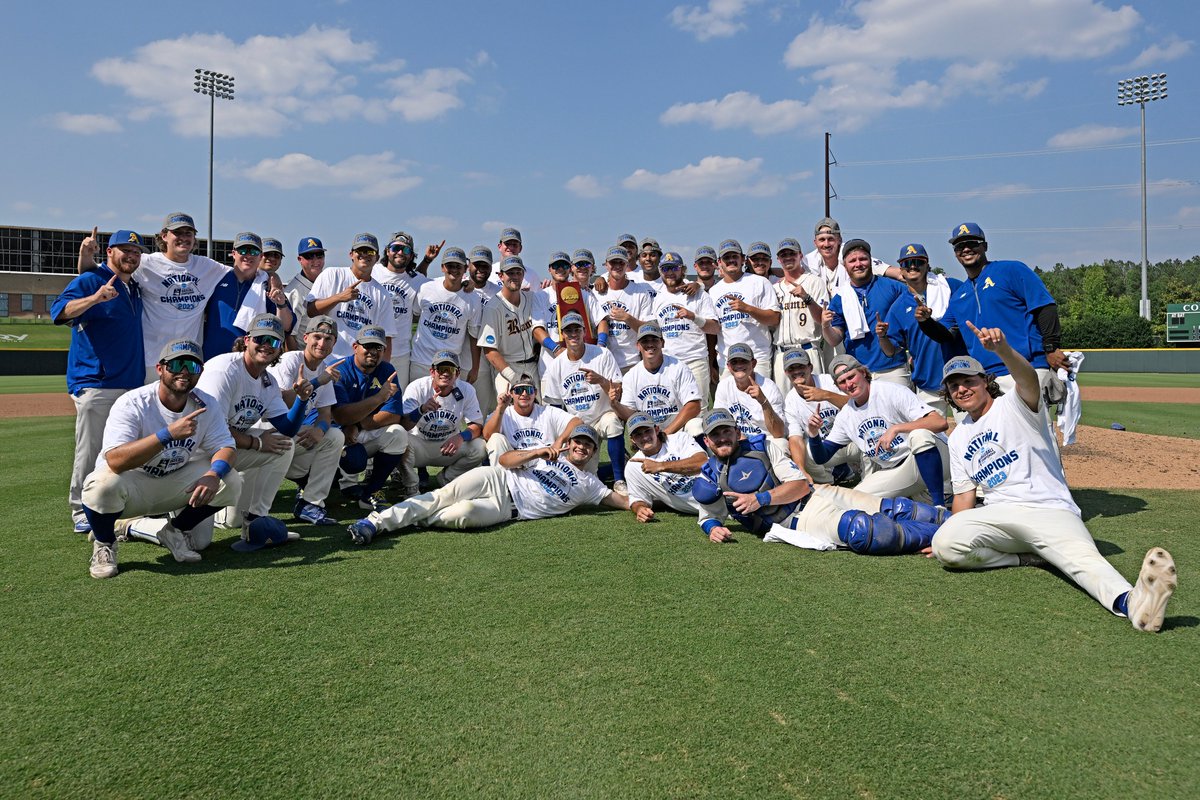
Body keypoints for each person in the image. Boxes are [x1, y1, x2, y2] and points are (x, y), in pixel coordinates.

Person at [932, 323, 1176, 632]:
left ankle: (1134, 602)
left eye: (968, 381)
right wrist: (956, 527)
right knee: (945, 544)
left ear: (985, 382)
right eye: (954, 387)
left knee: (1084, 563)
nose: (962, 390)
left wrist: (1003, 350)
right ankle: (1028, 558)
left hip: (1048, 508)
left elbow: (1027, 378)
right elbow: (965, 497)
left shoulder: (1015, 404)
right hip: (999, 515)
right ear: (949, 395)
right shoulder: (958, 437)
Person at [81, 339, 241, 578]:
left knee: (230, 481)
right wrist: (167, 435)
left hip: (174, 482)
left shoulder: (206, 403)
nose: (184, 372)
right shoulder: (133, 402)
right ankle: (105, 542)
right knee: (101, 486)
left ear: (201, 372)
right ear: (160, 369)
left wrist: (212, 474)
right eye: (177, 365)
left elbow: (226, 446)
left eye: (192, 366)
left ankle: (175, 531)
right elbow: (115, 461)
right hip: (132, 485)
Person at [692, 408, 944, 554]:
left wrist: (760, 499)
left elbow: (800, 484)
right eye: (716, 435)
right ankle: (946, 537)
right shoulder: (710, 476)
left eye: (727, 431)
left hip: (816, 494)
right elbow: (708, 515)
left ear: (737, 432)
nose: (723, 438)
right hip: (797, 521)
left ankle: (954, 521)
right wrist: (713, 528)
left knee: (897, 509)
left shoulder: (763, 448)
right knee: (866, 532)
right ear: (707, 441)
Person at [345, 424, 631, 544]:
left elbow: (622, 501)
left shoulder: (589, 484)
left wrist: (648, 501)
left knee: (463, 514)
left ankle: (413, 519)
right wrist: (536, 451)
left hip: (507, 510)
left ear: (594, 452)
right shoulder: (547, 453)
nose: (581, 447)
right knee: (441, 496)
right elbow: (505, 460)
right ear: (569, 443)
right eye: (578, 442)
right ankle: (376, 523)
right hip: (497, 478)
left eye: (588, 445)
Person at [53, 229, 147, 533]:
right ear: (110, 252)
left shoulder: (134, 287)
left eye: (135, 252)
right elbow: (59, 312)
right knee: (91, 450)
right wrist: (94, 298)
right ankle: (80, 509)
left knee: (128, 451)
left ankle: (118, 503)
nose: (131, 256)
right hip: (97, 382)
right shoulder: (91, 281)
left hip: (131, 383)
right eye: (124, 250)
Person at [918, 222, 1069, 390]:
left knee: (1030, 417)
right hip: (987, 377)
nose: (966, 249)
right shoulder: (959, 297)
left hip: (1028, 366)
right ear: (955, 253)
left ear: (985, 246)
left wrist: (1051, 347)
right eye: (960, 246)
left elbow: (1044, 307)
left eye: (972, 243)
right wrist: (925, 321)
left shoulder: (1011, 270)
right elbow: (945, 335)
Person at [196, 314, 309, 534]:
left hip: (225, 449)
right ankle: (136, 525)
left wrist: (302, 401)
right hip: (195, 452)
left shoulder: (268, 382)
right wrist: (255, 443)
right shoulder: (224, 370)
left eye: (273, 341)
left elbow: (287, 429)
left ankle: (256, 520)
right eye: (260, 339)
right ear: (247, 340)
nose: (266, 346)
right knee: (198, 541)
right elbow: (213, 428)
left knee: (283, 444)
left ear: (279, 348)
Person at [99, 212, 229, 382]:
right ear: (164, 236)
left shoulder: (207, 266)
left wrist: (272, 277)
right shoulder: (145, 263)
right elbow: (102, 272)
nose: (183, 237)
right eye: (178, 232)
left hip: (188, 357)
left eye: (188, 233)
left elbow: (244, 272)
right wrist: (85, 257)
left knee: (184, 407)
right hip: (151, 359)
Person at [807, 355, 950, 506]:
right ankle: (919, 501)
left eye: (851, 377)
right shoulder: (846, 416)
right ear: (838, 387)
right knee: (853, 501)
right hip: (898, 471)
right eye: (842, 382)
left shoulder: (890, 391)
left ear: (863, 372)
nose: (849, 384)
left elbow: (939, 422)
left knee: (919, 435)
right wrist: (813, 434)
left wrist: (896, 428)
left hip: (937, 458)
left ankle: (938, 505)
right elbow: (821, 457)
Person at [368, 350, 486, 498]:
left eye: (450, 370)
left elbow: (476, 425)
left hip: (447, 445)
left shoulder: (466, 389)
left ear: (457, 373)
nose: (445, 374)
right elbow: (403, 424)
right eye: (441, 369)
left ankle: (447, 478)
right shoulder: (417, 387)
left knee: (479, 447)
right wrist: (421, 410)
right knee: (398, 436)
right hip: (418, 446)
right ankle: (411, 487)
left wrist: (461, 437)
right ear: (432, 371)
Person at [268, 316, 346, 526]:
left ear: (334, 343)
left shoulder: (324, 369)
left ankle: (310, 504)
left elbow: (325, 415)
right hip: (268, 435)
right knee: (232, 521)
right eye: (317, 337)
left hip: (292, 437)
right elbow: (282, 401)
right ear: (305, 337)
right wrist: (317, 382)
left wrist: (319, 431)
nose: (322, 343)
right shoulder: (290, 360)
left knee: (335, 436)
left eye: (328, 339)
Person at [877, 243, 966, 414]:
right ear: (901, 270)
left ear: (927, 264)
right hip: (929, 381)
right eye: (906, 263)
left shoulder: (950, 287)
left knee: (971, 433)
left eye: (918, 261)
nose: (912, 266)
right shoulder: (898, 306)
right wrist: (882, 337)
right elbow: (891, 351)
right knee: (928, 436)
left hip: (962, 376)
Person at [329, 326, 411, 510]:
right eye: (368, 346)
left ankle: (371, 492)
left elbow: (393, 415)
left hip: (359, 430)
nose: (373, 352)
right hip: (336, 434)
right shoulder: (340, 369)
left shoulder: (387, 369)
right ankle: (312, 490)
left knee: (398, 434)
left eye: (378, 347)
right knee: (347, 454)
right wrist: (379, 398)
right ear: (355, 346)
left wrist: (357, 424)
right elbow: (341, 415)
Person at [541, 311, 626, 482]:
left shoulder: (602, 354)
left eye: (577, 330)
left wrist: (601, 380)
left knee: (613, 422)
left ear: (584, 332)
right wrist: (560, 438)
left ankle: (619, 480)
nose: (573, 334)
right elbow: (555, 407)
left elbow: (618, 389)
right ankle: (622, 463)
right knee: (585, 477)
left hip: (602, 417)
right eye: (568, 330)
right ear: (562, 334)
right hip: (578, 424)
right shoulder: (556, 365)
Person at [820, 238, 910, 386]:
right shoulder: (840, 298)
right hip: (859, 372)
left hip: (893, 368)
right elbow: (834, 339)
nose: (858, 264)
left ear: (870, 261)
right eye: (852, 261)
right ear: (844, 265)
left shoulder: (894, 287)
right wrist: (825, 326)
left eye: (863, 259)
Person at [306, 233, 397, 362]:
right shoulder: (332, 274)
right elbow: (311, 311)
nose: (364, 255)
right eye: (360, 250)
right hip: (326, 360)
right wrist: (338, 298)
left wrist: (383, 372)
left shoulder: (382, 294)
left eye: (370, 251)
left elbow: (386, 336)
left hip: (360, 366)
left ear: (377, 257)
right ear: (351, 255)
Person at [203, 232, 294, 360]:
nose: (248, 255)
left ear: (260, 256)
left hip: (249, 363)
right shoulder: (216, 278)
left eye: (254, 252)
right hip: (211, 358)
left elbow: (286, 326)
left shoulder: (268, 285)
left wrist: (281, 303)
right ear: (234, 253)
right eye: (243, 250)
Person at [478, 256, 554, 396]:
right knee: (508, 410)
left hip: (532, 366)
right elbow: (489, 350)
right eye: (510, 273)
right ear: (501, 276)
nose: (515, 276)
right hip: (507, 368)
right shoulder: (493, 307)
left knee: (539, 412)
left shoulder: (532, 298)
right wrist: (513, 377)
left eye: (518, 272)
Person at [652, 251, 719, 412]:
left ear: (683, 269)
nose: (670, 272)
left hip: (695, 361)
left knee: (699, 410)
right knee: (673, 411)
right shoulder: (658, 298)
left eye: (674, 268)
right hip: (669, 364)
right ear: (660, 271)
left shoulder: (698, 294)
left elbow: (714, 327)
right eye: (665, 268)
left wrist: (694, 317)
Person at [612, 322, 703, 439]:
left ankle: (701, 457)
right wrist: (614, 404)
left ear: (662, 343)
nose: (650, 344)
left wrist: (666, 434)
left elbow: (694, 406)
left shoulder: (678, 368)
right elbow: (630, 414)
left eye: (654, 340)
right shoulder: (631, 376)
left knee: (696, 425)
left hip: (679, 431)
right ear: (638, 346)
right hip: (649, 436)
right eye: (645, 341)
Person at [779, 349, 856, 485]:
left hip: (851, 439)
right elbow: (795, 439)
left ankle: (872, 480)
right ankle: (832, 482)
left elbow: (858, 403)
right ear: (786, 373)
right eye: (791, 368)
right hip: (827, 448)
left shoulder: (828, 381)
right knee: (804, 456)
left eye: (801, 366)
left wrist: (827, 395)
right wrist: (800, 469)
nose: (796, 371)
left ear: (810, 367)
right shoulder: (790, 402)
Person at [408, 246, 482, 384]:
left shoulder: (473, 298)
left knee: (447, 405)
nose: (454, 269)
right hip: (421, 361)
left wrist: (475, 368)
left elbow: (474, 335)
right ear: (442, 267)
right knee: (416, 403)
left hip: (450, 364)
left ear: (465, 268)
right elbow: (415, 313)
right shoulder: (426, 287)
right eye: (450, 265)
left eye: (458, 266)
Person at [707, 239, 780, 379]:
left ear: (743, 259)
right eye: (726, 257)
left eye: (735, 256)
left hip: (757, 357)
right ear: (719, 262)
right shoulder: (714, 291)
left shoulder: (760, 282)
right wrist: (711, 363)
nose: (731, 260)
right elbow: (713, 331)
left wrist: (748, 309)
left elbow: (774, 318)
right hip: (727, 360)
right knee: (731, 401)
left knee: (760, 399)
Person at [623, 413, 708, 521]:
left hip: (719, 490)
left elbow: (703, 463)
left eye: (647, 431)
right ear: (632, 440)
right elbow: (637, 498)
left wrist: (660, 466)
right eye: (638, 434)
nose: (644, 437)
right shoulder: (633, 466)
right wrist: (640, 508)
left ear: (657, 430)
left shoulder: (679, 439)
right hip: (705, 510)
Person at [484, 371, 581, 463]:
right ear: (511, 394)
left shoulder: (546, 411)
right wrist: (500, 409)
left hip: (544, 465)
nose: (524, 394)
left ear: (535, 393)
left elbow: (577, 422)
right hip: (515, 464)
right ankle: (501, 476)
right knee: (495, 439)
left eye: (529, 390)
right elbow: (488, 435)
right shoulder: (504, 413)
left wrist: (560, 440)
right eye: (519, 390)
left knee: (579, 439)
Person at [539, 250, 608, 375]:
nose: (560, 269)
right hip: (550, 366)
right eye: (555, 266)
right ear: (549, 269)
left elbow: (602, 321)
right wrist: (556, 349)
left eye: (564, 265)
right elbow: (537, 330)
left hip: (584, 364)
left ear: (570, 268)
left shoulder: (583, 292)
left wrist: (601, 345)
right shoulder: (541, 295)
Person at [372, 233, 428, 381]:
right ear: (387, 251)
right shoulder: (373, 271)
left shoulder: (417, 280)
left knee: (396, 399)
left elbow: (442, 287)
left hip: (400, 354)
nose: (400, 253)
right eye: (396, 248)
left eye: (406, 250)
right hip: (369, 348)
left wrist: (466, 284)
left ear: (411, 256)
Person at [773, 237, 829, 378]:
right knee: (783, 400)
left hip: (808, 349)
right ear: (778, 259)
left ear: (800, 255)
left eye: (792, 254)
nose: (788, 258)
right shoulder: (774, 288)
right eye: (783, 255)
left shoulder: (815, 282)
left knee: (815, 398)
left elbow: (822, 320)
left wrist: (807, 298)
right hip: (781, 352)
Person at [803, 217, 901, 293]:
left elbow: (895, 272)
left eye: (831, 239)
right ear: (815, 243)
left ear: (839, 240)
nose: (826, 244)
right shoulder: (808, 261)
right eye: (822, 240)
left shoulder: (852, 255)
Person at [598, 246, 655, 374]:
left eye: (621, 262)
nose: (617, 266)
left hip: (631, 363)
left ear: (627, 264)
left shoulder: (640, 292)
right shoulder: (596, 293)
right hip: (603, 363)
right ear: (606, 265)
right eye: (613, 262)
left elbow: (649, 328)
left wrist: (628, 318)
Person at [712, 343, 787, 439]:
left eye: (743, 361)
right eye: (734, 362)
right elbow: (719, 424)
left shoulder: (769, 387)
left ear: (753, 363)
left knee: (781, 443)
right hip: (737, 440)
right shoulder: (723, 386)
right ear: (729, 366)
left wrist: (763, 402)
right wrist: (741, 439)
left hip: (766, 440)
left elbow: (779, 433)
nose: (739, 365)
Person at [285, 236, 326, 351]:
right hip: (304, 354)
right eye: (309, 256)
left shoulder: (328, 281)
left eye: (319, 255)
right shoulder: (293, 292)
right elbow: (289, 335)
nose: (315, 260)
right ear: (299, 259)